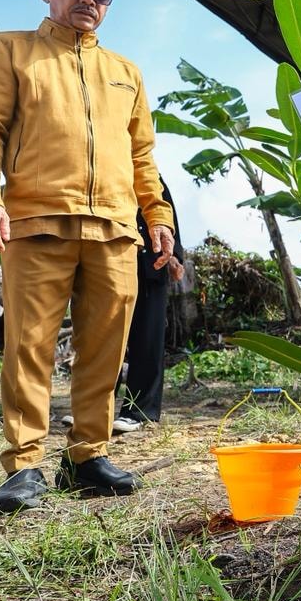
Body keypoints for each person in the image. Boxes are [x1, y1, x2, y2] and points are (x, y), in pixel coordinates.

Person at [0, 0, 175, 513]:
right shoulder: (9, 50)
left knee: (105, 348)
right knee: (29, 346)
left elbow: (142, 155)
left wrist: (157, 216)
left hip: (115, 228)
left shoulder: (125, 73)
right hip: (37, 220)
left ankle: (87, 457)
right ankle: (24, 464)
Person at [114, 178, 186, 433]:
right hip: (110, 261)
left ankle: (139, 411)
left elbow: (167, 213)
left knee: (147, 338)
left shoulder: (150, 174)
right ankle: (93, 409)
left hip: (150, 264)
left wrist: (175, 255)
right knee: (102, 338)